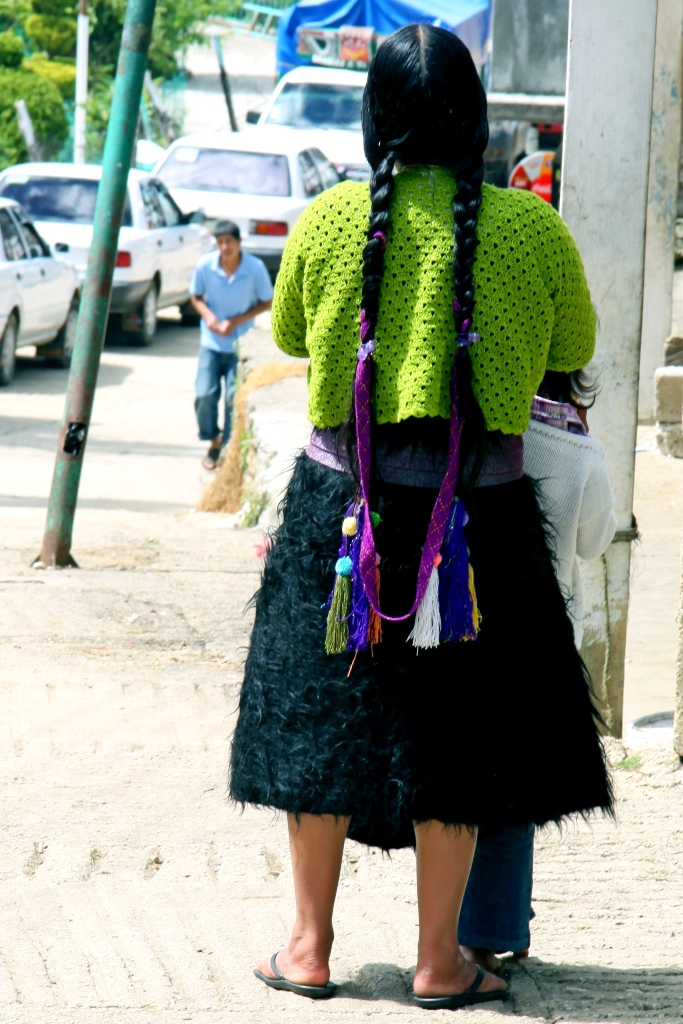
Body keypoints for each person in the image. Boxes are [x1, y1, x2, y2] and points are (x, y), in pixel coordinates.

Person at [229, 24, 613, 1011]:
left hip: (341, 515)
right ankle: (441, 961)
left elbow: (287, 332)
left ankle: (307, 947)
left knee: (318, 719)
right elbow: (572, 342)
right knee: (458, 732)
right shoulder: (530, 230)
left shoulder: (329, 219)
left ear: (375, 118)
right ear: (473, 118)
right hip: (477, 519)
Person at [459, 369, 616, 974]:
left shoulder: (484, 428)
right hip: (542, 638)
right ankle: (494, 929)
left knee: (469, 775)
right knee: (515, 784)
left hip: (468, 622)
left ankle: (486, 924)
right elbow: (595, 541)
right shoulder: (578, 450)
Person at [190, 221, 273, 470]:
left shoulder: (255, 268)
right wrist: (209, 316)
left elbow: (267, 301)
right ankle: (212, 440)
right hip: (211, 342)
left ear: (239, 242)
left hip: (241, 344)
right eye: (220, 242)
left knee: (232, 400)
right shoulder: (205, 265)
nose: (224, 247)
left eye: (229, 242)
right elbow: (195, 296)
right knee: (204, 394)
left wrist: (235, 321)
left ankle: (226, 451)